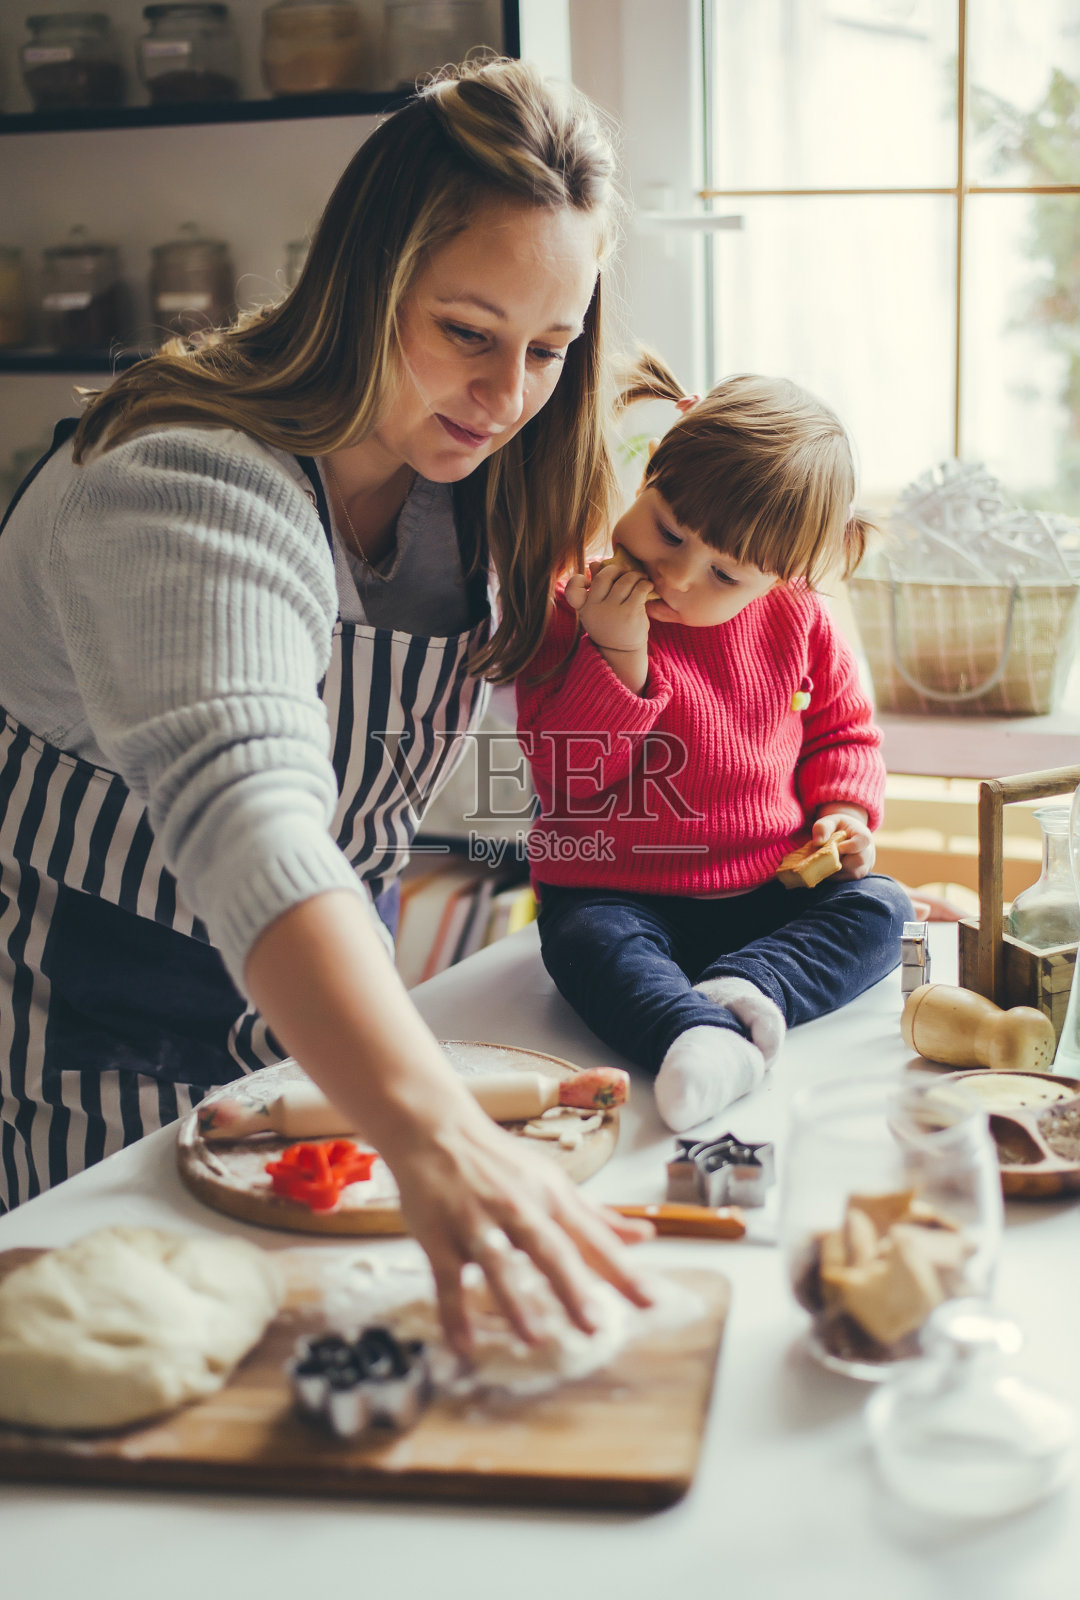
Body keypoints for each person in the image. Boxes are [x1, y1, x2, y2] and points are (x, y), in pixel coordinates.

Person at [0, 58, 655, 1350]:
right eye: (468, 332)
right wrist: (430, 1129)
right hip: (88, 1049)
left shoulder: (476, 489)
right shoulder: (177, 479)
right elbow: (255, 815)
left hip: (316, 1045)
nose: (507, 397)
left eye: (548, 348)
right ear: (362, 282)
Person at [516, 363, 912, 1132]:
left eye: (725, 573)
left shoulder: (800, 621)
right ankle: (693, 1035)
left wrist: (842, 812)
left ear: (780, 579)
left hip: (767, 894)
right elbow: (572, 778)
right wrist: (618, 656)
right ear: (650, 470)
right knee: (582, 941)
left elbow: (843, 733)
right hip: (617, 891)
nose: (680, 574)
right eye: (667, 528)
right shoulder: (576, 610)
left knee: (886, 909)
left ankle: (747, 989)